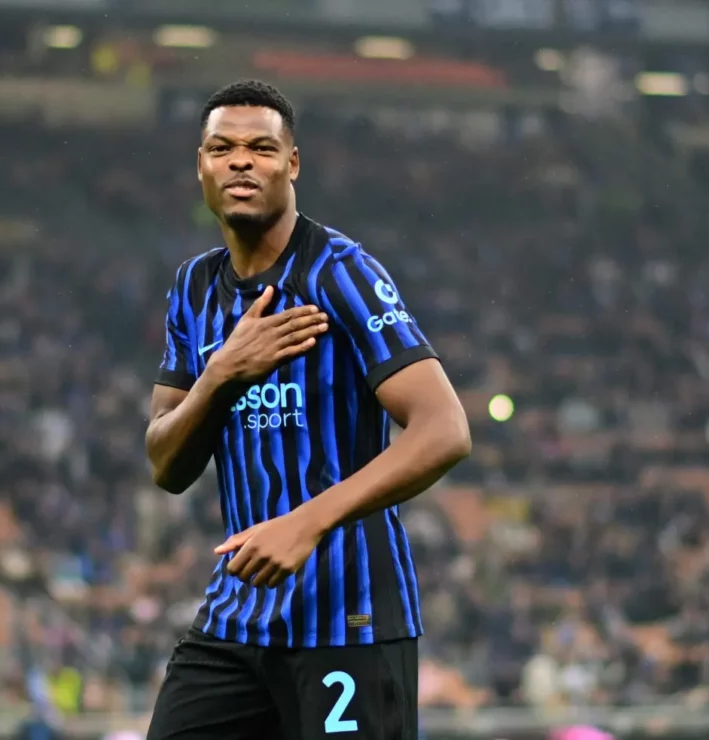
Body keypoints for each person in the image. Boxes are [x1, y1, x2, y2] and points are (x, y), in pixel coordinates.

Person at [144, 80, 472, 740]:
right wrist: (220, 376)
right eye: (222, 148)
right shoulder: (194, 288)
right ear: (201, 165)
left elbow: (445, 430)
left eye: (262, 148)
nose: (241, 160)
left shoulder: (341, 272)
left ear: (292, 164)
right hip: (238, 619)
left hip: (349, 618)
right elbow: (165, 464)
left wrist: (306, 524)